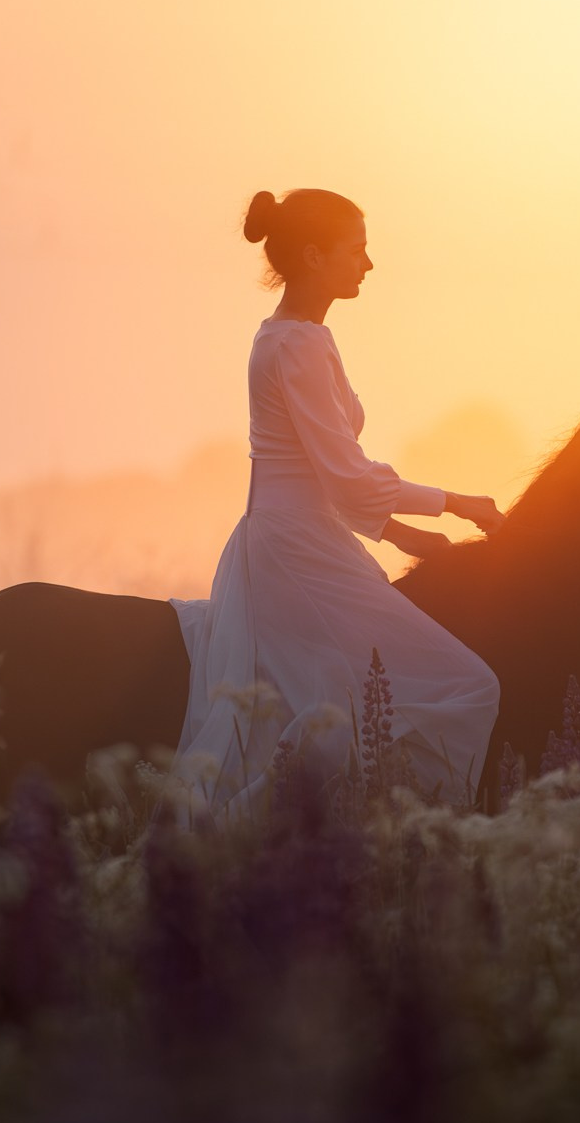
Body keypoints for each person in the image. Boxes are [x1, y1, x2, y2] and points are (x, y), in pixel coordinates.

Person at [169, 188, 504, 812]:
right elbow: (347, 477)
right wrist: (459, 502)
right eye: (359, 251)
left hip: (304, 536)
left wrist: (402, 535)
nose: (369, 265)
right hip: (296, 549)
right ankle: (409, 841)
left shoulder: (298, 337)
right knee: (471, 687)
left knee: (351, 708)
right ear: (316, 256)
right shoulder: (296, 347)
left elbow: (328, 478)